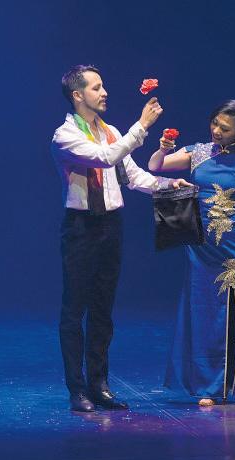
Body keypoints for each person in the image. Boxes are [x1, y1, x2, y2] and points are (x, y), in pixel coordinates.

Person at [51, 65, 191, 412]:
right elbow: (103, 158)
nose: (105, 92)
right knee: (75, 310)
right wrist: (142, 126)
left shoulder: (111, 131)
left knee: (103, 308)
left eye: (103, 86)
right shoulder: (65, 135)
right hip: (81, 227)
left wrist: (166, 184)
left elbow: (132, 175)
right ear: (77, 95)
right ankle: (77, 389)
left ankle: (99, 384)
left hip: (110, 226)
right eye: (97, 87)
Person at [148, 100, 235, 406]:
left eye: (224, 128)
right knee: (205, 313)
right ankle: (210, 388)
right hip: (202, 249)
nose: (216, 131)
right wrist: (162, 148)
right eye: (214, 123)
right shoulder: (198, 153)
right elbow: (155, 167)